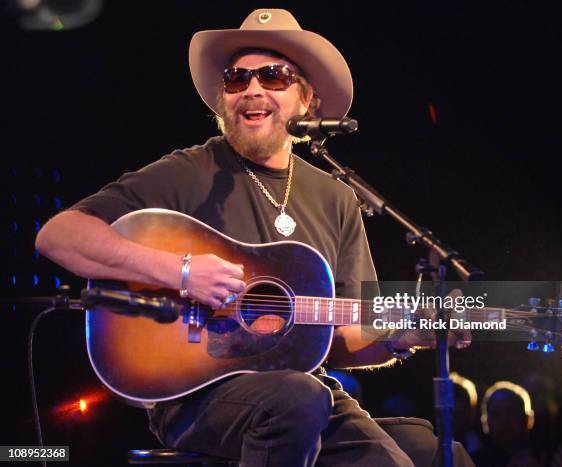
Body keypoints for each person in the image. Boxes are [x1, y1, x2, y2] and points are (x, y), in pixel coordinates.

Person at [36, 8, 473, 467]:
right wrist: (181, 272)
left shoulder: (336, 197)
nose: (252, 90)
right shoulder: (191, 171)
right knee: (298, 398)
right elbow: (59, 236)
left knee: (429, 455)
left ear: (306, 100)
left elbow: (338, 335)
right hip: (197, 398)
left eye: (273, 76)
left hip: (306, 396)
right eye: (236, 79)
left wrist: (402, 337)